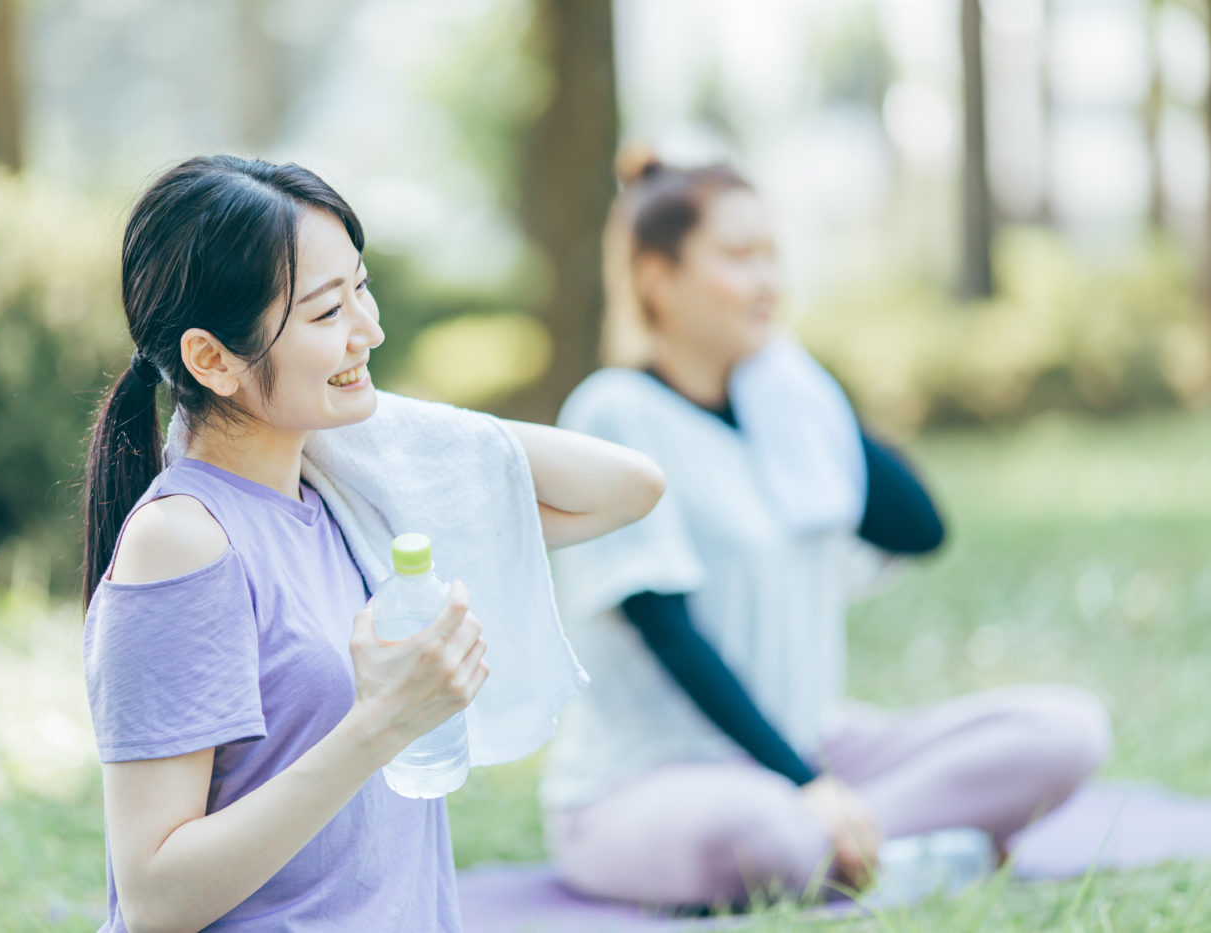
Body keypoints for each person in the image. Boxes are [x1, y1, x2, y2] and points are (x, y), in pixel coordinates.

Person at [80, 155, 664, 933]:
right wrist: (381, 724)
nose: (372, 328)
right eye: (327, 313)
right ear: (211, 358)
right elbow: (155, 895)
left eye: (362, 286)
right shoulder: (181, 540)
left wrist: (369, 411)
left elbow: (627, 486)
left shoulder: (349, 502)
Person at [538, 149, 1112, 908]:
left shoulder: (784, 406)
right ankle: (898, 847)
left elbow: (918, 527)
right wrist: (807, 785)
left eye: (774, 255)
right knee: (760, 837)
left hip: (811, 751)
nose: (770, 280)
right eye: (741, 257)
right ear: (658, 278)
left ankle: (855, 842)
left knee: (1067, 731)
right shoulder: (615, 412)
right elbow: (668, 632)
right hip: (648, 782)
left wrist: (799, 379)